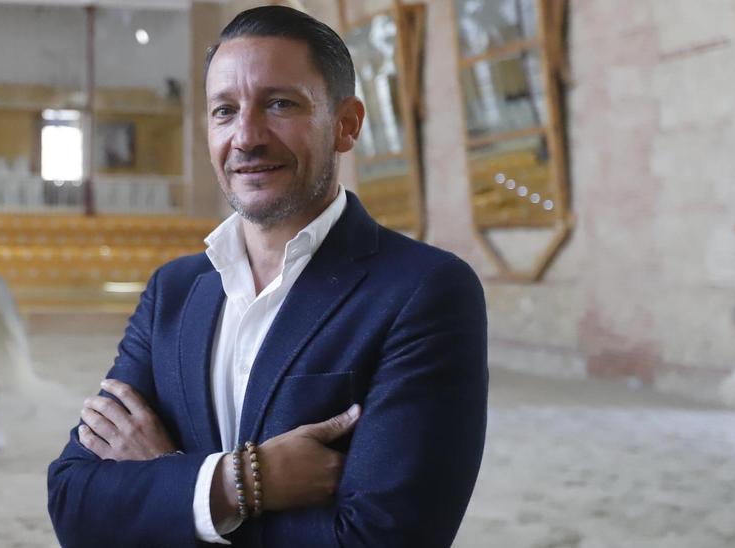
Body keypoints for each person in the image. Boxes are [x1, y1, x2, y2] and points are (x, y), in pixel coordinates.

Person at [46, 6, 487, 547]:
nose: (247, 137)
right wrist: (244, 483)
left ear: (346, 124)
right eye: (224, 111)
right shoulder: (174, 292)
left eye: (280, 104)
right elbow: (74, 503)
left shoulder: (423, 291)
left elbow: (379, 540)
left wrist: (170, 482)